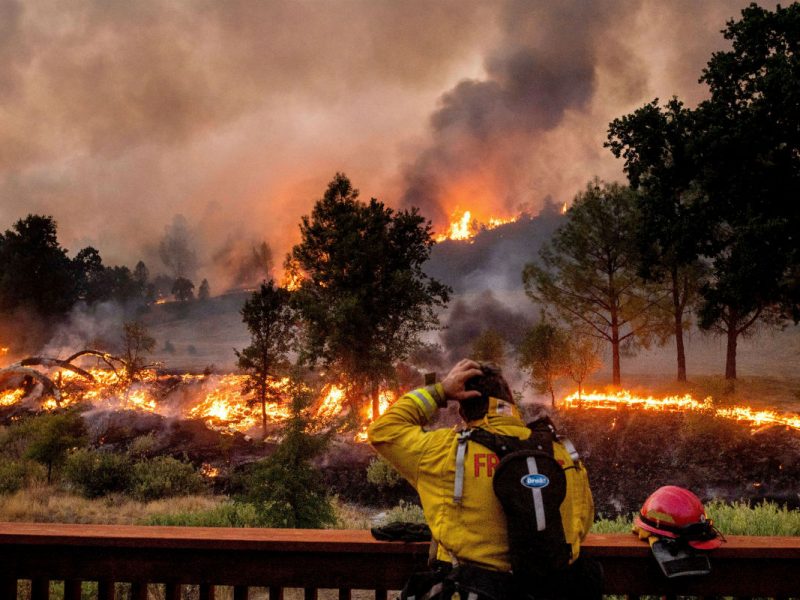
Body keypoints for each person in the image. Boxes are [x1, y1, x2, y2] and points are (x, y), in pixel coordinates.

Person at [367, 359, 601, 600]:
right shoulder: (561, 452)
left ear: (463, 411)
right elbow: (581, 524)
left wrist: (441, 391)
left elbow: (384, 430)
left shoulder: (445, 451)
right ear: (511, 402)